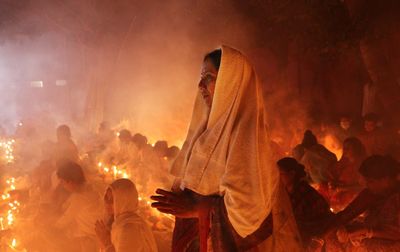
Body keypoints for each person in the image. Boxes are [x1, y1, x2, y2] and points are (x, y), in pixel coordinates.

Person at [151, 46, 302, 251]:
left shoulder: (247, 136)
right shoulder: (206, 131)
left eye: (209, 78)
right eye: (201, 78)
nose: (200, 85)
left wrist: (197, 208)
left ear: (230, 83)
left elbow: (248, 211)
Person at [325, 155, 400, 251]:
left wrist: (368, 232)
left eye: (371, 181)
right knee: (333, 236)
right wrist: (329, 232)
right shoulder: (370, 193)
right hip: (370, 233)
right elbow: (347, 214)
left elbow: (396, 234)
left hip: (393, 242)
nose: (367, 185)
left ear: (386, 180)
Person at [277, 157, 333, 248]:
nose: (278, 177)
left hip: (313, 237)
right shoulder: (283, 193)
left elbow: (323, 219)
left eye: (281, 174)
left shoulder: (305, 193)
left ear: (291, 174)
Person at [95, 179, 157, 252]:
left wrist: (106, 242)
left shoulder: (129, 229)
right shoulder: (119, 222)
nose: (107, 203)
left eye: (113, 200)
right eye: (106, 198)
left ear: (124, 201)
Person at [55, 160, 103, 252]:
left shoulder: (80, 198)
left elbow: (64, 220)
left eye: (63, 182)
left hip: (90, 240)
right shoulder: (90, 188)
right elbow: (67, 205)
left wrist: (51, 227)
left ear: (70, 182)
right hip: (95, 236)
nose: (63, 186)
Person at [293, 130, 337, 196]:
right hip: (335, 179)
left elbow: (302, 173)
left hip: (325, 184)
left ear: (304, 147)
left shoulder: (308, 155)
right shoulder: (320, 148)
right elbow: (334, 157)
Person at [329, 137, 366, 210]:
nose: (345, 150)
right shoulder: (344, 162)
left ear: (356, 149)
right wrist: (333, 183)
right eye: (344, 147)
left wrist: (342, 188)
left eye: (348, 148)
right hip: (339, 201)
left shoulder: (361, 165)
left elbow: (363, 187)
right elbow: (333, 174)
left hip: (353, 202)